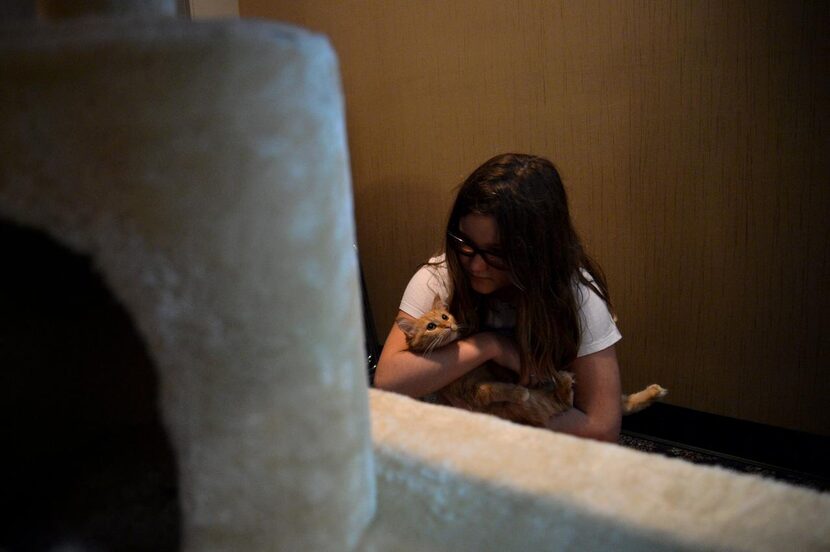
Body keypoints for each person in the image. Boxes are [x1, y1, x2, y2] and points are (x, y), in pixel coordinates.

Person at [374, 153, 623, 442]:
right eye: (466, 243)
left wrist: (509, 412)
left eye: (497, 253)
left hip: (543, 443)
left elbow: (603, 429)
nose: (476, 266)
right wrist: (490, 345)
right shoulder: (441, 275)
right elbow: (388, 381)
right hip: (461, 436)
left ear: (537, 252)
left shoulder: (575, 293)